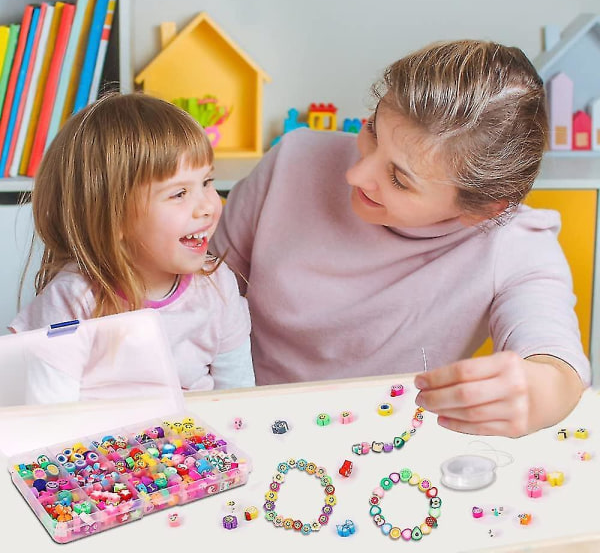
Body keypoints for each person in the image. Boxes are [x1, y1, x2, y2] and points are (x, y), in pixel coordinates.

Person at [212, 40, 591, 437]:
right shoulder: (292, 160)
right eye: (373, 130)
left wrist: (543, 390)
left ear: (483, 209)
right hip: (244, 424)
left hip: (387, 447)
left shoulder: (513, 244)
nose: (355, 176)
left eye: (399, 179)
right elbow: (207, 292)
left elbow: (556, 360)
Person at [11, 92, 255, 402]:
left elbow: (239, 395)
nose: (207, 206)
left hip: (195, 442)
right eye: (179, 193)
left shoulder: (217, 285)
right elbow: (51, 414)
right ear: (114, 217)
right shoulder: (74, 298)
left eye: (207, 182)